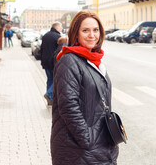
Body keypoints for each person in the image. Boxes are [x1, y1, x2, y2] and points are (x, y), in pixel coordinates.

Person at [51, 11, 119, 164]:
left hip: (98, 145)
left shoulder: (94, 60)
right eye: (85, 30)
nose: (92, 35)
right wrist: (88, 139)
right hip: (79, 149)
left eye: (95, 30)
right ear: (76, 33)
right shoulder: (69, 61)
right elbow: (68, 106)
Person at [40, 22, 62, 105]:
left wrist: (42, 62)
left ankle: (50, 100)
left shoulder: (45, 36)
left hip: (45, 62)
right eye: (61, 27)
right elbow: (60, 51)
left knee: (49, 79)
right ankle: (49, 94)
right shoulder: (58, 37)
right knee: (56, 80)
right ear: (57, 28)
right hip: (53, 62)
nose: (61, 29)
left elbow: (41, 49)